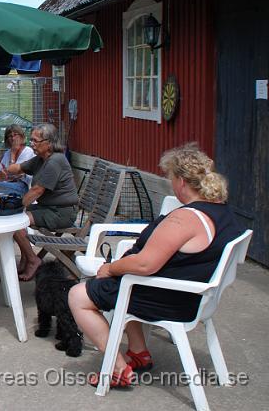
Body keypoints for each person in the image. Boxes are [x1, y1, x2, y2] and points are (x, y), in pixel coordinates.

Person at [68, 143, 241, 388]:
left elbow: (145, 265)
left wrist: (111, 268)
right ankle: (139, 352)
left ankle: (117, 368)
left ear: (181, 181)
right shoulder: (222, 211)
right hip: (195, 296)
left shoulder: (186, 218)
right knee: (121, 284)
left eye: (171, 178)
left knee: (78, 296)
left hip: (173, 299)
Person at [5, 123, 79, 281]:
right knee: (14, 218)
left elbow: (37, 190)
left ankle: (33, 260)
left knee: (16, 219)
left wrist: (17, 205)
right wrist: (6, 169)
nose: (32, 144)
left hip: (61, 212)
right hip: (49, 208)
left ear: (49, 143)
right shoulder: (40, 159)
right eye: (31, 140)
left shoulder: (55, 161)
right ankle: (27, 258)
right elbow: (17, 168)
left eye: (35, 141)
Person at [0, 124, 35, 198]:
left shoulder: (27, 151)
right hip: (8, 184)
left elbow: (14, 174)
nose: (13, 138)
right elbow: (1, 170)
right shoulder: (7, 153)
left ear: (22, 137)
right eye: (10, 136)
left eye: (15, 135)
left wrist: (13, 153)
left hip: (22, 186)